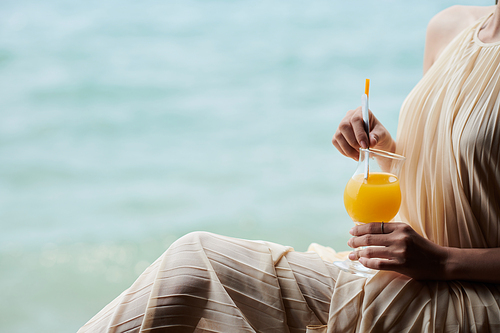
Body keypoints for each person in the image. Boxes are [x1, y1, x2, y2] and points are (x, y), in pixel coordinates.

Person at [78, 3, 500, 333]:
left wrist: (443, 262)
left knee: (199, 261)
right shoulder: (449, 29)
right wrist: (381, 146)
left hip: (470, 291)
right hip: (408, 272)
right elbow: (456, 165)